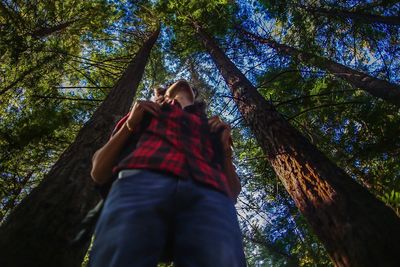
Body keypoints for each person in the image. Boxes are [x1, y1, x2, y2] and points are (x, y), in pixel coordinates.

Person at [88, 79, 246, 267]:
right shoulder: (145, 111)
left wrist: (225, 150)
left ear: (196, 98)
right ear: (162, 93)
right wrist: (130, 124)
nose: (182, 81)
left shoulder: (211, 127)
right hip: (140, 183)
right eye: (172, 83)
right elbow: (98, 171)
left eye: (191, 88)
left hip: (211, 193)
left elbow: (233, 194)